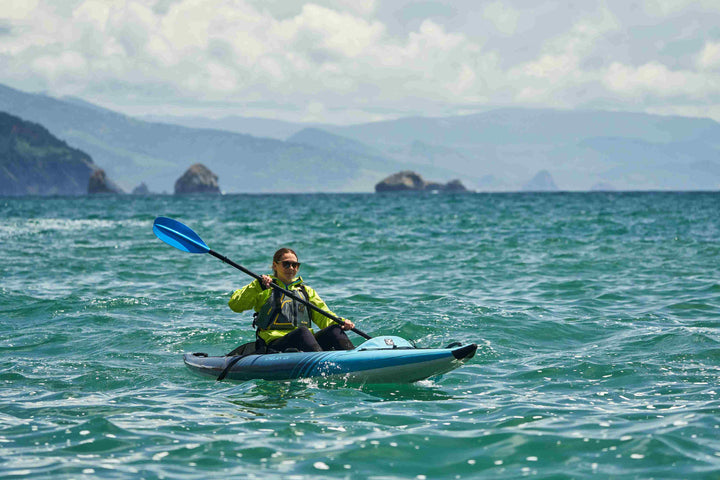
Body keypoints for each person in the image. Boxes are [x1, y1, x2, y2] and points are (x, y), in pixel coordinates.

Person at [228, 247, 355, 353]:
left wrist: (341, 322)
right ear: (275, 265)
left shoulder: (306, 291)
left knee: (334, 329)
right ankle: (322, 364)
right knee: (302, 332)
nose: (291, 268)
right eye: (286, 264)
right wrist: (257, 286)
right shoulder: (262, 287)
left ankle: (354, 359)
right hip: (274, 344)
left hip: (306, 342)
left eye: (295, 265)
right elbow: (235, 305)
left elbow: (323, 317)